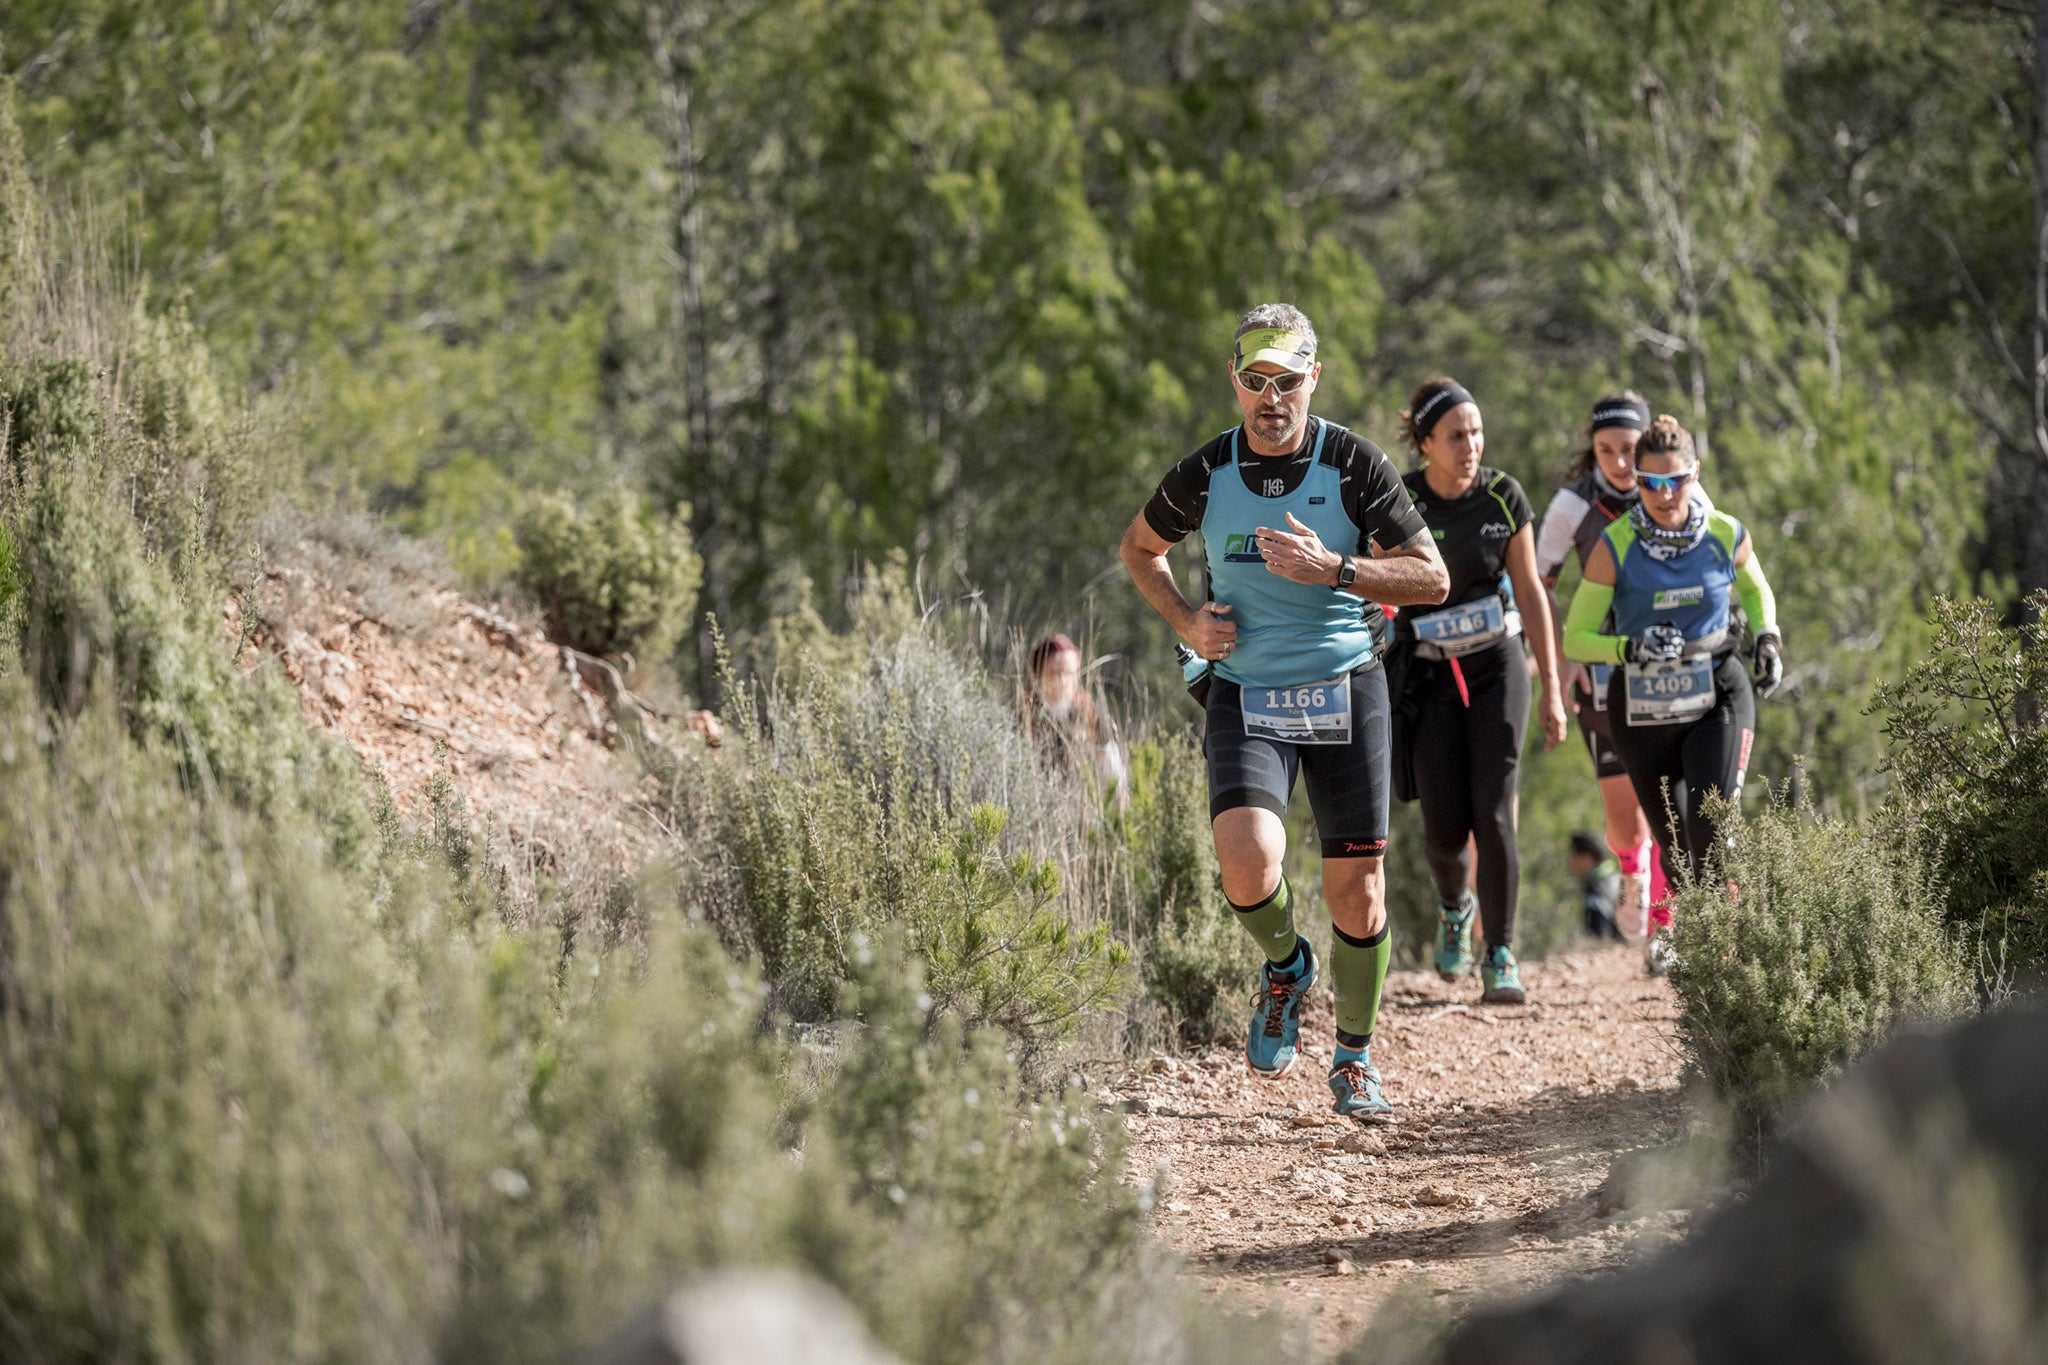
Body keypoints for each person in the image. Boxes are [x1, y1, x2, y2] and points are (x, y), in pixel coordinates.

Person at [1119, 303, 1448, 1123]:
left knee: (1359, 897)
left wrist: (1335, 568)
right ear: (1236, 382)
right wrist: (1189, 624)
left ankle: (1354, 1058)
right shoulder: (1208, 471)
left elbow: (1432, 577)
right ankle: (1286, 965)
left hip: (1346, 686)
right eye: (1257, 381)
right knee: (1245, 862)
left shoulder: (1352, 464)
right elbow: (1139, 548)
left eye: (1288, 381)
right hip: (1248, 692)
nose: (1273, 398)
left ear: (1314, 379)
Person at [1561, 415, 1782, 971]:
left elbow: (1756, 590)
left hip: (1717, 694)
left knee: (1710, 826)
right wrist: (1628, 647)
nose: (1663, 494)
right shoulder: (1614, 545)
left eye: (1675, 481)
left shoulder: (1726, 533)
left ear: (1695, 474)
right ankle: (1684, 932)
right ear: (1636, 481)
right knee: (1676, 844)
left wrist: (1769, 637)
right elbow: (1576, 636)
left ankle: (1721, 958)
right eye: (1650, 483)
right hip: (1641, 707)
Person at [1387, 378, 1568, 1006]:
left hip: (1497, 666)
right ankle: (1453, 908)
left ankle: (1500, 954)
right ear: (1425, 442)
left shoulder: (1502, 494)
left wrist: (1552, 690)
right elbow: (1379, 592)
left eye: (1477, 433)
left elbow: (1533, 592)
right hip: (1430, 676)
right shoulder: (1401, 499)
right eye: (1456, 435)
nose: (1471, 446)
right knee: (1443, 830)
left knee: (1493, 813)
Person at [1536, 394, 1715, 967]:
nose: (1617, 463)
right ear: (1591, 452)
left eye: (1629, 451)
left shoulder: (1683, 493)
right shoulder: (1572, 505)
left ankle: (1664, 924)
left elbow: (1721, 569)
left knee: (1675, 802)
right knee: (1624, 818)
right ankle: (1634, 872)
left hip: (1675, 675)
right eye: (1605, 451)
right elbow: (1538, 581)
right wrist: (1558, 655)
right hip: (1604, 676)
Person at [1022, 633, 1127, 799]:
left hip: (1080, 801)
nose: (1063, 680)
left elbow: (1108, 760)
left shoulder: (1088, 711)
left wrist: (1118, 797)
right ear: (1039, 674)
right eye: (1054, 673)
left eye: (1069, 673)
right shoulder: (1026, 711)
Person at [1568, 829, 1624, 941]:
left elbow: (1597, 941)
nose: (1570, 862)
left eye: (1573, 856)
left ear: (1587, 858)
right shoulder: (1618, 879)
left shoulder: (1595, 895)